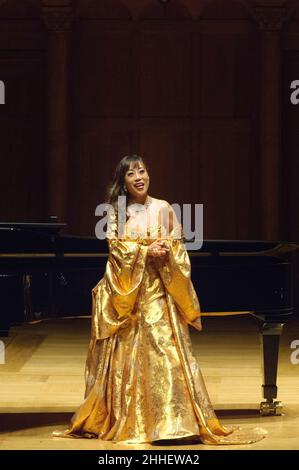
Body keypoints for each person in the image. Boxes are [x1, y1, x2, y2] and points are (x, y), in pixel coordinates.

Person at [53, 154, 267, 445]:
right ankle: (136, 421)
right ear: (123, 182)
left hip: (158, 290)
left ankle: (173, 422)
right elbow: (115, 248)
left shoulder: (164, 207)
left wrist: (166, 246)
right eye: (131, 174)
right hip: (127, 292)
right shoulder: (116, 211)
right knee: (126, 360)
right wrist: (144, 252)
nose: (138, 177)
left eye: (142, 171)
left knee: (164, 348)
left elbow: (177, 240)